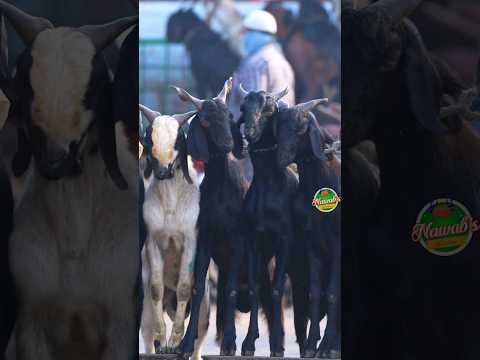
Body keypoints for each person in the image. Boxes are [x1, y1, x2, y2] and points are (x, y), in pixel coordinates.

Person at [229, 9, 295, 121]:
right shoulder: (280, 59)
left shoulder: (256, 63)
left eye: (246, 31)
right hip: (282, 130)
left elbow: (254, 109)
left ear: (255, 33)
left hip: (260, 135)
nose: (243, 36)